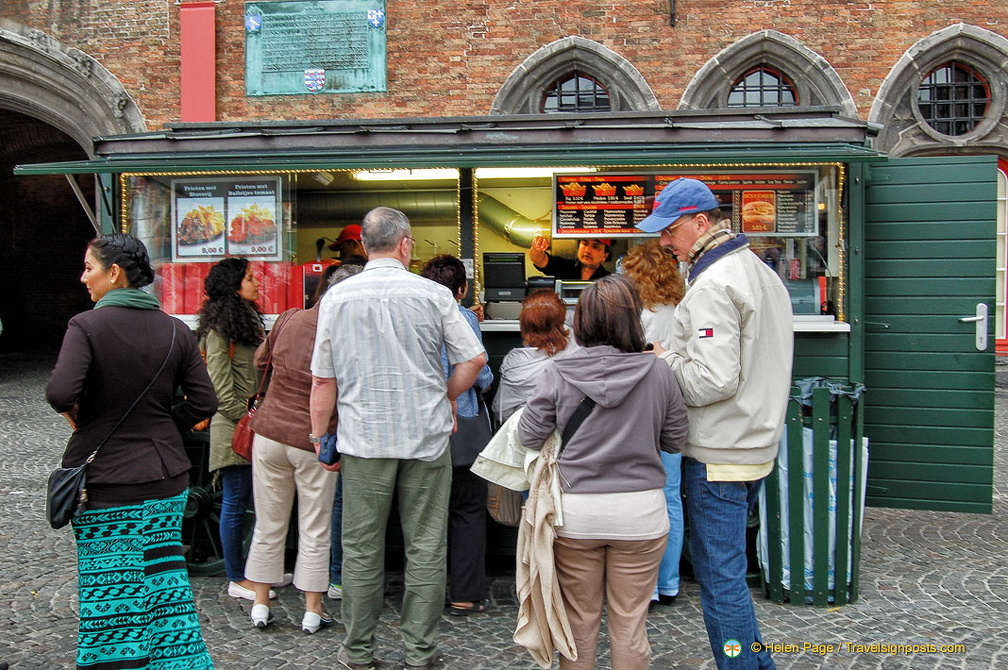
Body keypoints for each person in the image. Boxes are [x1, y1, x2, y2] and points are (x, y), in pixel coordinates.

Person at [309, 206, 487, 670]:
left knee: (362, 549)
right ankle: (419, 651)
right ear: (406, 244)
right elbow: (474, 360)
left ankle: (359, 651)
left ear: (365, 246)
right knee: (426, 545)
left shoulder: (338, 297)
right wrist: (446, 398)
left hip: (363, 438)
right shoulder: (433, 295)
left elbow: (323, 382)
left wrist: (317, 435)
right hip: (426, 438)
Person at [636, 178, 793, 670]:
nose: (664, 242)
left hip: (720, 450)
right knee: (727, 574)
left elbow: (712, 381)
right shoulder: (758, 270)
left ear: (701, 222)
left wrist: (663, 360)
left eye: (670, 230)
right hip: (753, 441)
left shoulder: (713, 282)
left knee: (721, 579)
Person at [46, 233, 217, 669]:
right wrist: (164, 423)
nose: (84, 277)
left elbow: (61, 391)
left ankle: (115, 663)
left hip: (109, 481)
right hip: (166, 477)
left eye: (89, 267)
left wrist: (85, 418)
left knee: (112, 588)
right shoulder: (175, 329)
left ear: (114, 273)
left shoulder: (85, 327)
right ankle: (176, 661)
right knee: (164, 582)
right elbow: (204, 403)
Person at [516, 274, 689, 670]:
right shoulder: (659, 372)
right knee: (630, 626)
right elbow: (676, 440)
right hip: (641, 515)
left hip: (576, 515)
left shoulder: (558, 372)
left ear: (582, 323)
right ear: (634, 320)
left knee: (578, 624)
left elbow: (528, 434)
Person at [242, 265, 363, 633]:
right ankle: (312, 609)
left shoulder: (290, 318)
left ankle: (260, 603)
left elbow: (260, 362)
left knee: (269, 521)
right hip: (313, 439)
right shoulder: (348, 334)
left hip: (269, 433)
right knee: (314, 526)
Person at [195, 258, 278, 602]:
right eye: (248, 278)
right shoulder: (219, 332)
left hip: (251, 426)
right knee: (234, 502)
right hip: (234, 432)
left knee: (256, 503)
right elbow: (219, 390)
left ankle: (257, 572)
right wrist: (250, 418)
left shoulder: (242, 324)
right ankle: (236, 577)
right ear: (233, 286)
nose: (256, 282)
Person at [420, 254, 495, 617]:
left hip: (421, 431)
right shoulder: (464, 317)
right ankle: (465, 595)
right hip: (462, 428)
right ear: (462, 289)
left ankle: (425, 596)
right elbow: (481, 375)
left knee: (425, 515)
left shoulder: (413, 315)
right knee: (467, 511)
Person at [622, 240, 687, 610]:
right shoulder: (683, 307)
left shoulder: (637, 314)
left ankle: (644, 586)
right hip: (675, 404)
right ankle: (669, 582)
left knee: (642, 495)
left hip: (642, 409)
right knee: (671, 496)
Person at [491, 288, 578, 425]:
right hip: (571, 431)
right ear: (561, 321)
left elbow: (501, 413)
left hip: (528, 432)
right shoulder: (577, 348)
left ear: (524, 325)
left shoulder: (516, 363)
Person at [528, 235, 611, 281]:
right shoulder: (564, 267)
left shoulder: (609, 280)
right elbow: (539, 260)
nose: (587, 250)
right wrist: (537, 247)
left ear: (605, 256)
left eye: (595, 247)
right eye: (585, 244)